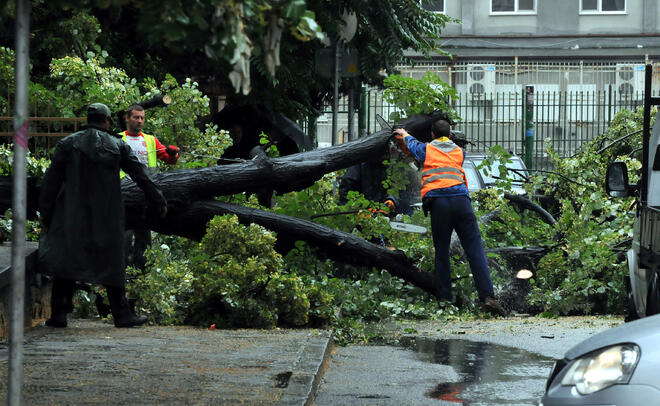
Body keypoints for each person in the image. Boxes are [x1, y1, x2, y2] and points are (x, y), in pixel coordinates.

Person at [38, 102, 168, 328]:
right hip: (107, 213)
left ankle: (59, 313)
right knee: (112, 260)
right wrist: (158, 199)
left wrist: (45, 213)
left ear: (87, 120)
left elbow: (50, 182)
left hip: (71, 212)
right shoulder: (117, 146)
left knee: (67, 259)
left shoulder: (68, 144)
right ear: (107, 120)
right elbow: (141, 176)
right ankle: (121, 314)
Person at [393, 120, 507, 316]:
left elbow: (412, 145)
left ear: (431, 134)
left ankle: (445, 300)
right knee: (475, 249)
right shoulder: (459, 152)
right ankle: (488, 297)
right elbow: (438, 157)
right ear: (451, 136)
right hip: (462, 202)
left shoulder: (427, 149)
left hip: (440, 203)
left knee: (442, 251)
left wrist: (403, 134)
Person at [120, 104, 179, 270]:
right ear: (127, 118)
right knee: (125, 234)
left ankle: (141, 274)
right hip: (125, 192)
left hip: (146, 194)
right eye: (136, 117)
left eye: (142, 118)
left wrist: (174, 153)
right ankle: (122, 272)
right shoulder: (118, 139)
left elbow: (169, 158)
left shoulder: (150, 140)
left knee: (144, 235)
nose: (139, 121)